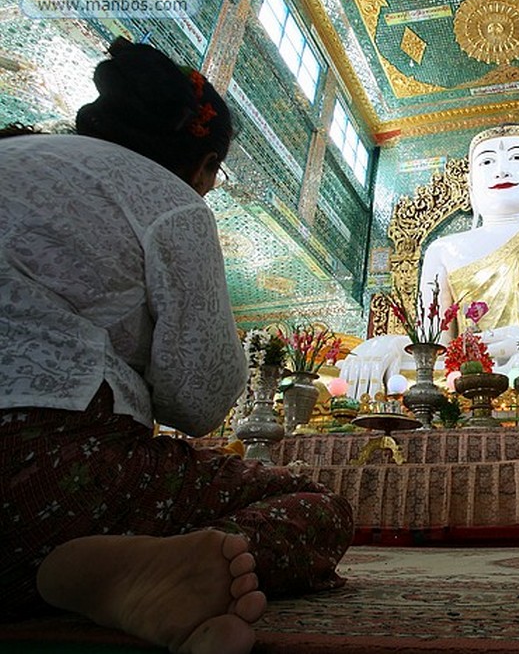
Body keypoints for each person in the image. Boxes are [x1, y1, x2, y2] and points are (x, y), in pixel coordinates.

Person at [0, 38, 353, 654]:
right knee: (316, 504)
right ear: (202, 163)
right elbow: (198, 402)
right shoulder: (168, 199)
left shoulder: (12, 151)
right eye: (214, 175)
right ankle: (111, 567)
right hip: (42, 472)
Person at [339, 123, 519, 399]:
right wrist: (382, 346)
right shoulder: (442, 249)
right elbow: (431, 347)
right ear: (470, 187)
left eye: (518, 157)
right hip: (463, 372)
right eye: (487, 161)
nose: (501, 170)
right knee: (353, 373)